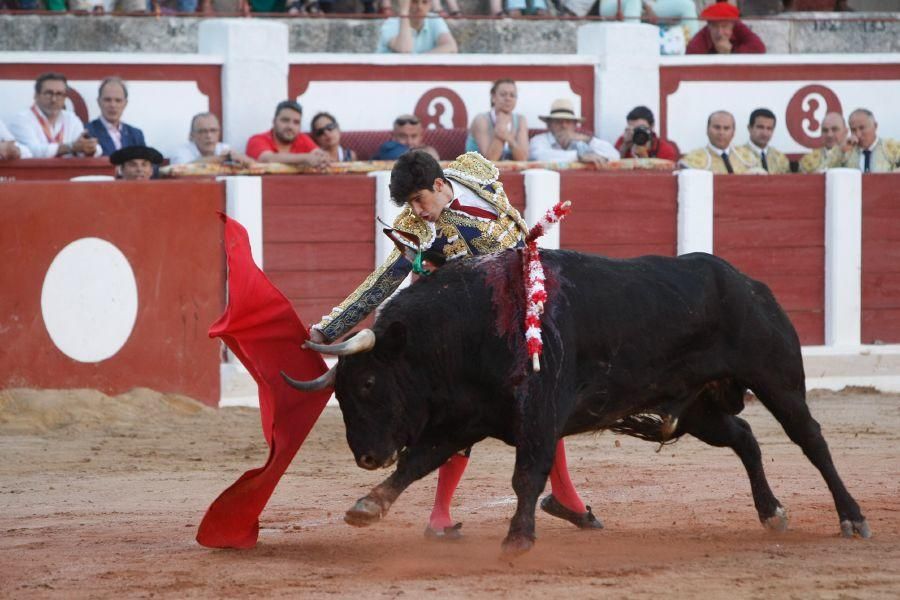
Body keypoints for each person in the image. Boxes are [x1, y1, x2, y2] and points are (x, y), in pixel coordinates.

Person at [308, 150, 602, 539]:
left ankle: (563, 498)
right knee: (470, 409)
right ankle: (441, 516)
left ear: (441, 184)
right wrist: (329, 329)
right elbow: (384, 280)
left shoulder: (473, 168)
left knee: (544, 400)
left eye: (419, 199)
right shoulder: (419, 228)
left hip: (525, 308)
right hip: (473, 333)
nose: (416, 210)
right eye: (409, 203)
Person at [9, 72, 102, 159]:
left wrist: (89, 147)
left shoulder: (71, 119)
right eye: (49, 93)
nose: (54, 99)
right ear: (36, 95)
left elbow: (94, 150)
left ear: (65, 97)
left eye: (59, 94)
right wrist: (70, 147)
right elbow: (32, 151)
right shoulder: (22, 119)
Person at [529, 98, 618, 166]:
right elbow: (539, 156)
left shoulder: (582, 142)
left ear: (575, 125)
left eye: (568, 121)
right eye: (558, 121)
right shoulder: (539, 140)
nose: (564, 125)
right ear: (549, 125)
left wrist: (588, 140)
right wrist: (579, 157)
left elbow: (614, 156)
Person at [246, 100, 330, 168]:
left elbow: (320, 155)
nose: (290, 126)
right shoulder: (257, 139)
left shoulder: (302, 138)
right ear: (274, 121)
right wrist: (305, 158)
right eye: (285, 120)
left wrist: (323, 158)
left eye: (296, 122)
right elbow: (267, 159)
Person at [465, 79, 529, 162]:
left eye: (512, 95)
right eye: (503, 95)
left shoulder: (520, 120)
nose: (508, 98)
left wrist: (508, 138)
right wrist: (501, 126)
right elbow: (490, 161)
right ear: (493, 97)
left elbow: (523, 159)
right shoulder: (481, 120)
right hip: (478, 172)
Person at [85, 77, 147, 157]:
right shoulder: (88, 132)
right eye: (107, 100)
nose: (113, 105)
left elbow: (147, 164)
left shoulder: (136, 134)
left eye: (118, 100)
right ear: (99, 102)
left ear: (125, 103)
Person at [679, 110, 756, 174]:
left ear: (733, 132)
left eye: (726, 128)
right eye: (717, 127)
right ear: (707, 130)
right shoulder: (694, 159)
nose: (721, 132)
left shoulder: (747, 156)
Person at [170, 112, 254, 167]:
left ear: (219, 133)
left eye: (213, 130)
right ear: (191, 136)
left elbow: (256, 166)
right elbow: (183, 169)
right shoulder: (180, 152)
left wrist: (242, 159)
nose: (209, 136)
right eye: (202, 131)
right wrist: (222, 158)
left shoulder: (224, 148)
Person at [830, 108, 900, 173]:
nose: (858, 134)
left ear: (875, 126)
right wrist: (841, 152)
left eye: (862, 128)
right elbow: (824, 173)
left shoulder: (892, 148)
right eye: (853, 130)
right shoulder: (845, 151)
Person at [376, 0, 458, 54]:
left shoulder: (434, 19)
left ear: (430, 5)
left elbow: (451, 47)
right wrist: (404, 11)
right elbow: (405, 50)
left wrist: (421, 60)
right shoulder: (390, 24)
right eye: (414, 2)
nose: (420, 7)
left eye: (424, 2)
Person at [686, 1, 765, 55]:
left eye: (724, 26)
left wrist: (732, 51)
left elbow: (759, 48)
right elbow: (690, 56)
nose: (720, 33)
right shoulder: (702, 36)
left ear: (732, 25)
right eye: (715, 27)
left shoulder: (739, 27)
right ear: (709, 27)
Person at [614, 105, 679, 161]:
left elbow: (663, 174)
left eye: (641, 128)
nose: (638, 133)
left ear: (652, 126)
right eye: (634, 129)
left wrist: (643, 155)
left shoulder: (664, 149)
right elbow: (612, 168)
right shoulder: (623, 141)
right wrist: (625, 146)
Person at [736, 108, 791, 174]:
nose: (765, 133)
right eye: (760, 127)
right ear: (749, 128)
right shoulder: (737, 155)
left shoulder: (780, 158)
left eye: (769, 128)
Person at [372, 114, 439, 160]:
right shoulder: (387, 148)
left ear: (421, 137)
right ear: (393, 136)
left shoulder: (425, 149)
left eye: (414, 136)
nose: (409, 142)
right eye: (403, 136)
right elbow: (398, 157)